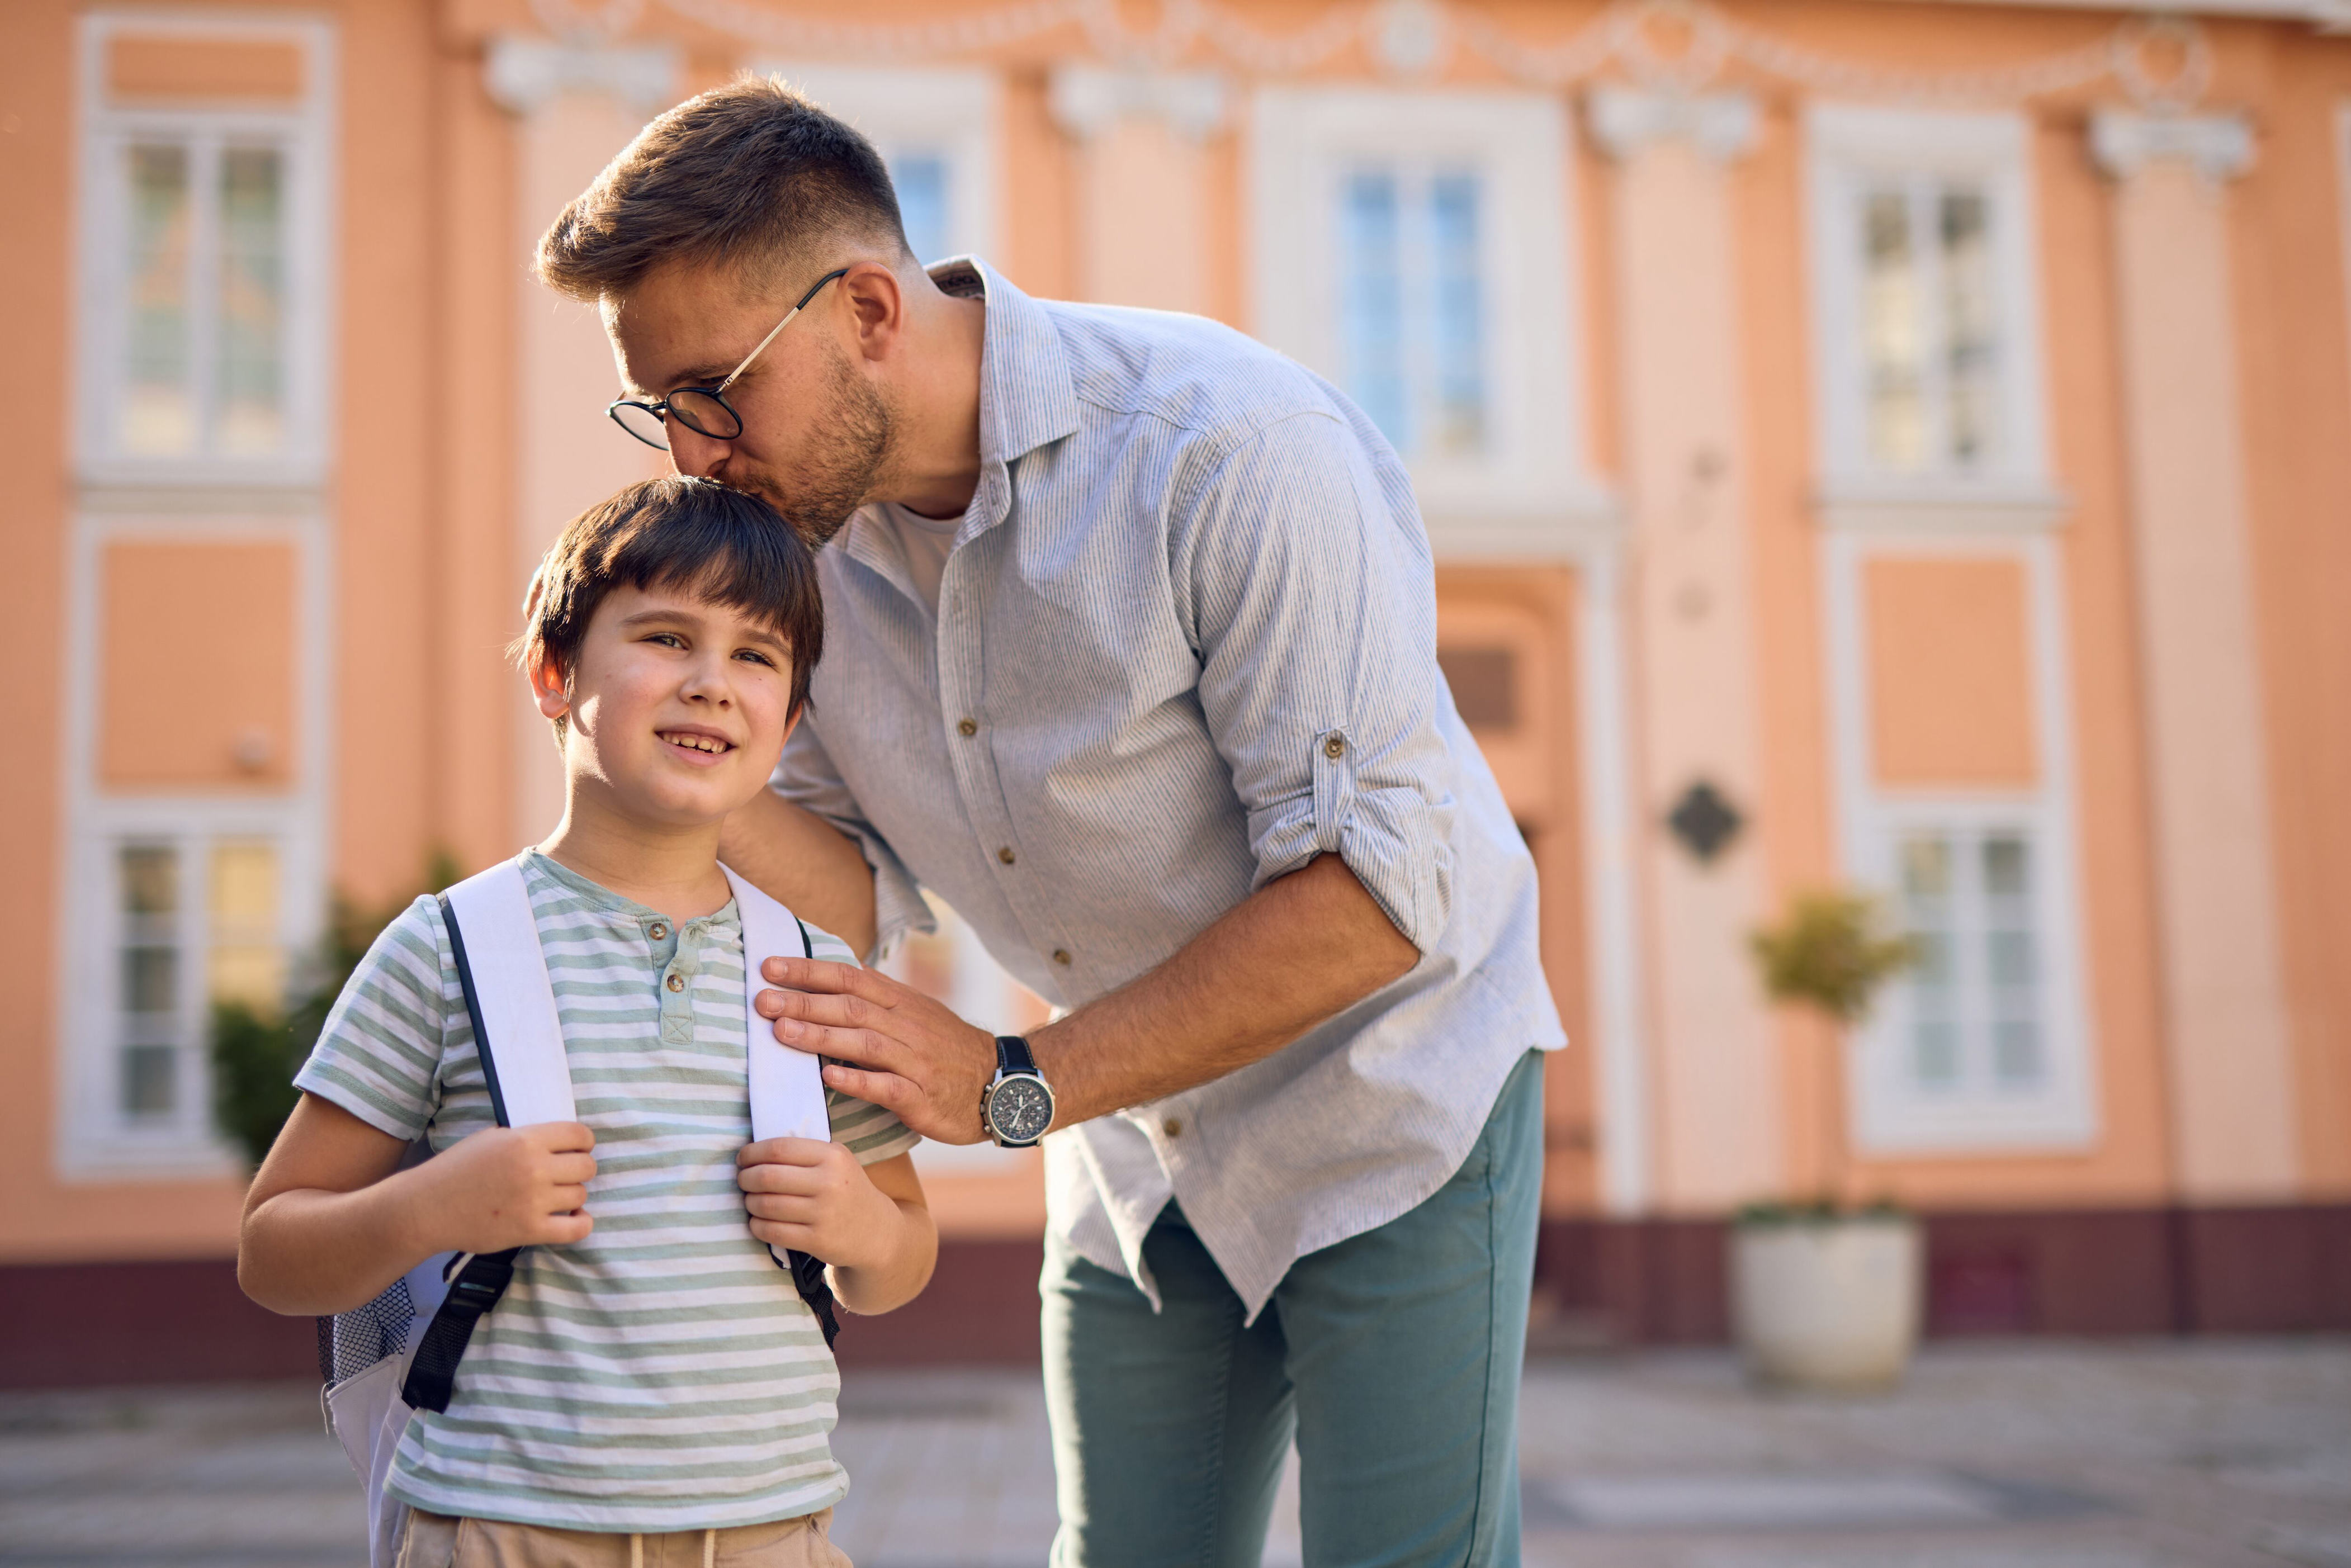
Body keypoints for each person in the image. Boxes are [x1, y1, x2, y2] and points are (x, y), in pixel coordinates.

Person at [541, 77, 1565, 1568]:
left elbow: (1374, 894)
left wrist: (1010, 1083)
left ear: (867, 311)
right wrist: (651, 747)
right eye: (662, 410)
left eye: (716, 391)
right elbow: (848, 885)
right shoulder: (796, 555)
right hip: (1132, 1129)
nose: (694, 454)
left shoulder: (1229, 448)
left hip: (1391, 1089)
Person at [238, 476, 934, 1568]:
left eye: (756, 655)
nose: (712, 683)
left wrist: (866, 1231)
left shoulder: (815, 974)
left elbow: (900, 1255)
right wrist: (431, 1203)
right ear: (553, 673)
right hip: (501, 1531)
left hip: (772, 1532)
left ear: (790, 719)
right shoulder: (447, 948)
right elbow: (273, 1252)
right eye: (667, 637)